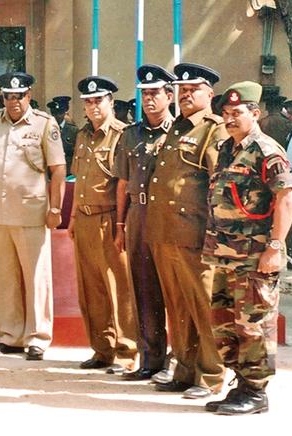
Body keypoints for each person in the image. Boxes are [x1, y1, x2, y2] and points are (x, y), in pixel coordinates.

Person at [202, 81, 292, 415]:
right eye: (225, 113)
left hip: (254, 255)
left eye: (237, 113)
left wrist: (274, 247)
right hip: (225, 254)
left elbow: (286, 198)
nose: (230, 119)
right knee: (225, 323)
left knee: (253, 323)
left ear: (254, 113)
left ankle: (256, 392)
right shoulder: (228, 148)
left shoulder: (267, 151)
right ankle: (240, 385)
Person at [145, 62, 227, 399]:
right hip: (166, 232)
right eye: (182, 89)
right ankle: (184, 367)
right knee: (177, 306)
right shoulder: (177, 128)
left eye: (193, 89)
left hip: (194, 234)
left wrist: (214, 234)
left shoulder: (213, 130)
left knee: (204, 305)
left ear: (209, 93)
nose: (186, 94)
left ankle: (212, 376)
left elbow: (217, 186)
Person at [0, 72, 65, 360]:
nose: (13, 102)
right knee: (3, 278)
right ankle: (10, 336)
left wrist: (55, 208)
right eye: (8, 97)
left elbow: (58, 168)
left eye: (19, 96)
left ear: (29, 96)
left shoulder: (44, 124)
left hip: (30, 211)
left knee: (35, 276)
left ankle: (37, 337)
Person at [68, 75, 137, 373]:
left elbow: (125, 184)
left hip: (110, 218)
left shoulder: (123, 135)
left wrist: (121, 225)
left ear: (111, 102)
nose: (93, 106)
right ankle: (102, 349)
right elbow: (79, 179)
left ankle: (126, 352)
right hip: (83, 219)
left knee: (119, 287)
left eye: (99, 100)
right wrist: (72, 217)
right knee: (91, 288)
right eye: (89, 102)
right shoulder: (83, 135)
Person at [113, 65, 174, 380]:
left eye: (155, 93)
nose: (149, 99)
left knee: (175, 290)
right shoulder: (130, 134)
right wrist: (120, 226)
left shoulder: (178, 132)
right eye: (145, 93)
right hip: (138, 217)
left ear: (169, 95)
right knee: (144, 288)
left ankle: (179, 362)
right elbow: (122, 183)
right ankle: (151, 359)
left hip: (170, 219)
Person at [47, 95, 78, 172]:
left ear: (65, 112)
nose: (57, 116)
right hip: (51, 171)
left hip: (69, 172)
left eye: (60, 113)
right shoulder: (46, 129)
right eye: (54, 113)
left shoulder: (73, 131)